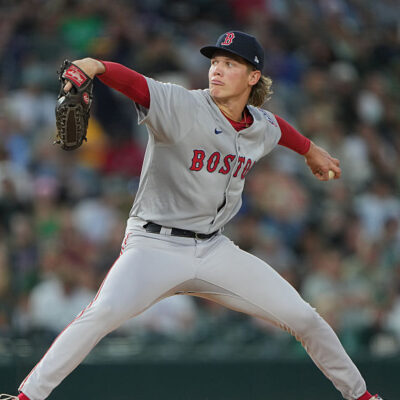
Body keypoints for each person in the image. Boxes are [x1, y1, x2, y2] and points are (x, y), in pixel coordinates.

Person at [1, 31, 383, 400]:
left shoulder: (259, 126)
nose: (216, 69)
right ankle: (27, 397)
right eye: (214, 61)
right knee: (102, 314)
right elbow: (134, 83)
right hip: (153, 246)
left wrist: (310, 149)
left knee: (304, 318)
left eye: (229, 64)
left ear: (253, 77)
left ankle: (361, 396)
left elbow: (277, 129)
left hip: (215, 249)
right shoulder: (180, 103)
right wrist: (93, 65)